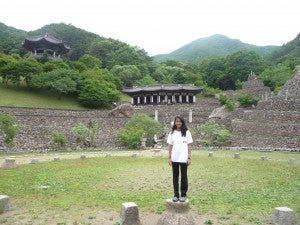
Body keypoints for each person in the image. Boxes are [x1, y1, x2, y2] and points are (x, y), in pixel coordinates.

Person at [167, 116, 193, 202]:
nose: (178, 123)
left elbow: (189, 146)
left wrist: (189, 157)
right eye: (177, 121)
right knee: (175, 177)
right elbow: (170, 146)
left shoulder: (187, 132)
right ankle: (176, 195)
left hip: (184, 158)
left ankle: (183, 194)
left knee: (184, 177)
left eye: (180, 121)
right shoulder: (172, 133)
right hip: (174, 158)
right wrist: (169, 157)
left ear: (182, 122)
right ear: (175, 123)